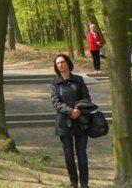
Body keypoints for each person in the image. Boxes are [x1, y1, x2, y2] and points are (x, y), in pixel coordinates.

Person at [51, 54, 91, 188]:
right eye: (58, 63)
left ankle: (84, 183)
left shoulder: (79, 80)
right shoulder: (55, 83)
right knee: (68, 154)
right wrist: (70, 111)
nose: (60, 65)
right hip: (64, 123)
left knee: (82, 153)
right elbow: (56, 102)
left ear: (68, 63)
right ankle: (74, 182)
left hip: (81, 121)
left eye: (62, 62)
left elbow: (87, 98)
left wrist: (78, 110)